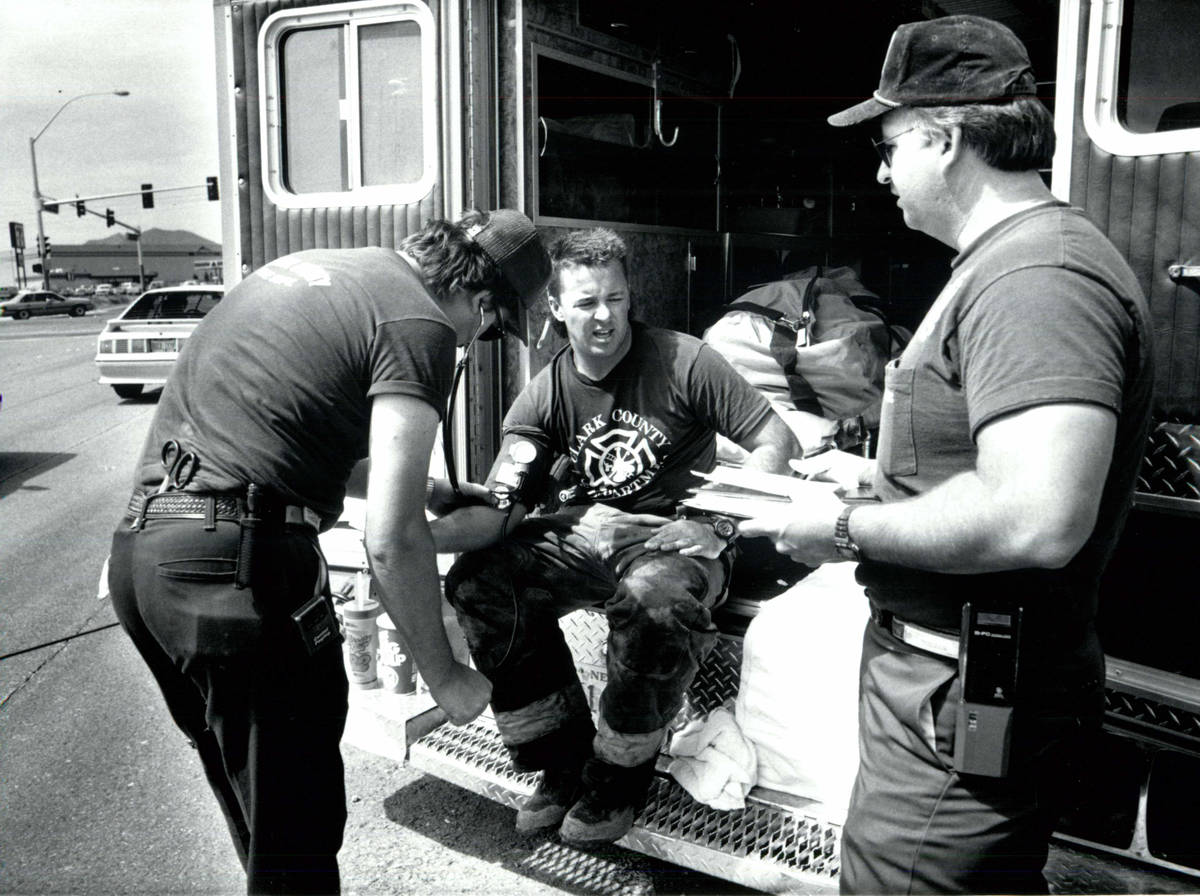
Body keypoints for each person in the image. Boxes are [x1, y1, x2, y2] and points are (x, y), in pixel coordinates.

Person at [739, 15, 1155, 894]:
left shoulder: (1037, 278)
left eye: (889, 144)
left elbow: (1037, 517)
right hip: (943, 676)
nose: (882, 170)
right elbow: (986, 460)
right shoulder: (1008, 261)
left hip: (965, 686)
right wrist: (879, 479)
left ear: (944, 135)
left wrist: (849, 528)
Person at [107, 208, 551, 894]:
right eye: (490, 330)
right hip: (239, 567)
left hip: (149, 560)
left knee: (270, 827)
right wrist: (447, 677)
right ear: (482, 301)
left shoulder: (333, 271)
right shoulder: (424, 325)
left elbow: (285, 432)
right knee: (300, 829)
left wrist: (425, 486)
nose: (475, 341)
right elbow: (392, 541)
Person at [431, 227, 799, 846]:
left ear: (630, 297)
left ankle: (620, 776)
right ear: (555, 308)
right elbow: (504, 503)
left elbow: (776, 443)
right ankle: (561, 759)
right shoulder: (543, 393)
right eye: (585, 303)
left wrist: (716, 525)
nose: (604, 316)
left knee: (656, 600)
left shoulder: (685, 360)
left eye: (615, 298)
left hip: (675, 540)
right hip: (586, 537)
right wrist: (417, 533)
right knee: (479, 579)